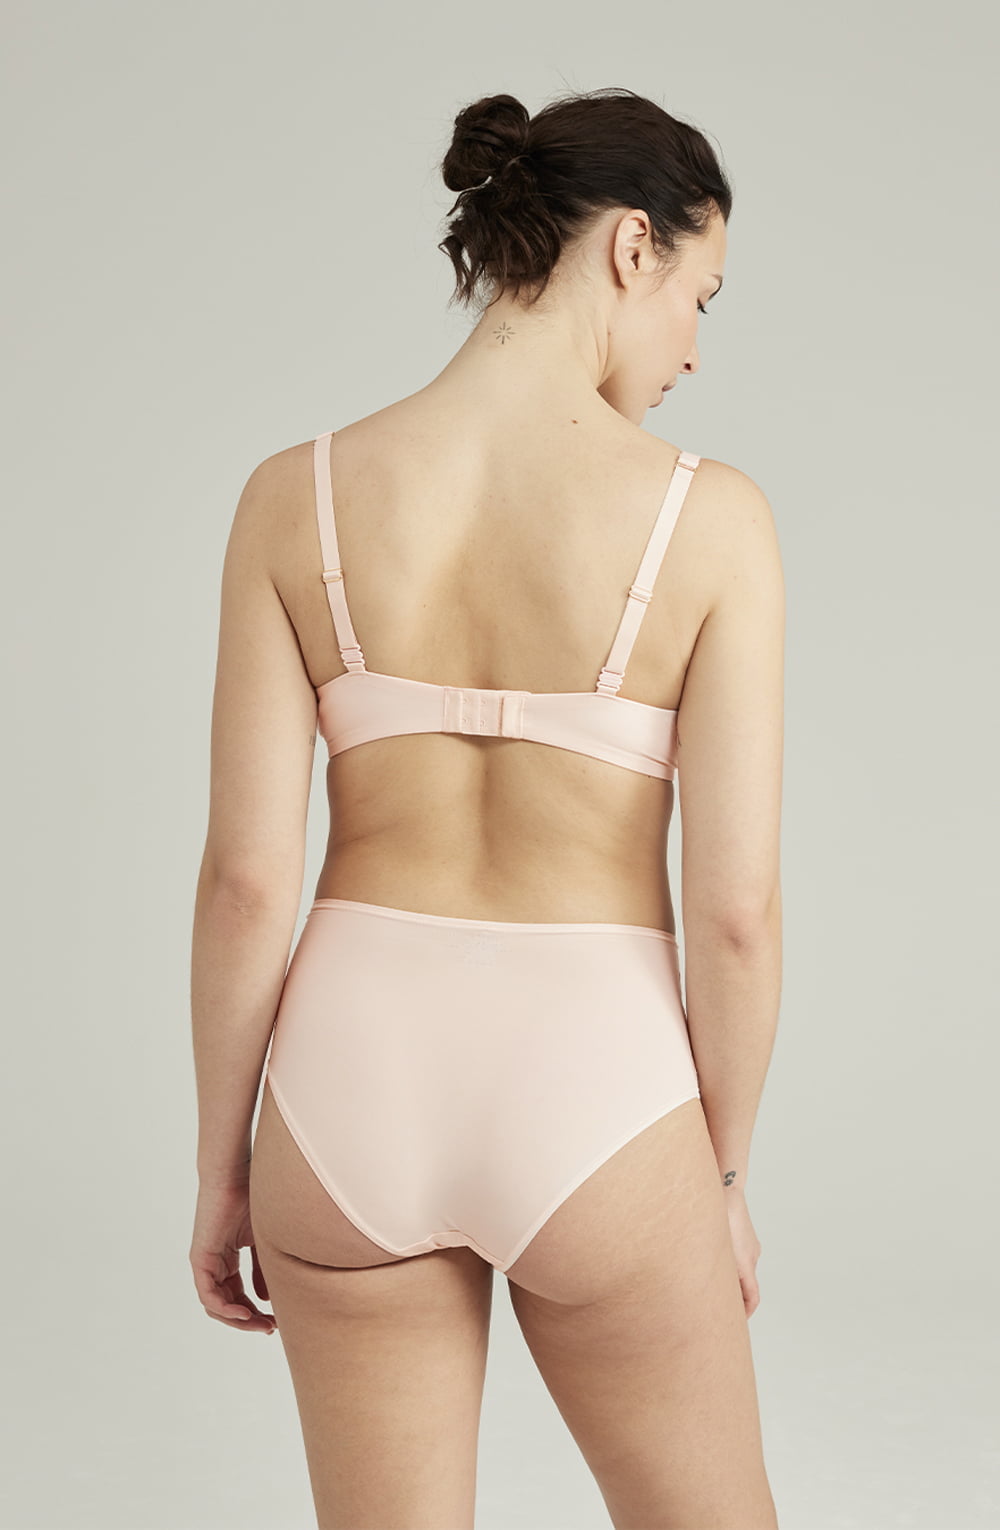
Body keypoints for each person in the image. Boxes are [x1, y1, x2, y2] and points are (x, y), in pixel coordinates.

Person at [189, 85, 783, 1530]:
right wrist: (716, 1175)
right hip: (598, 1080)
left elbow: (247, 881)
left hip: (348, 1081)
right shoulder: (709, 519)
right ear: (631, 247)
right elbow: (736, 913)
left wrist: (225, 1167)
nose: (694, 350)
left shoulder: (291, 497)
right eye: (700, 297)